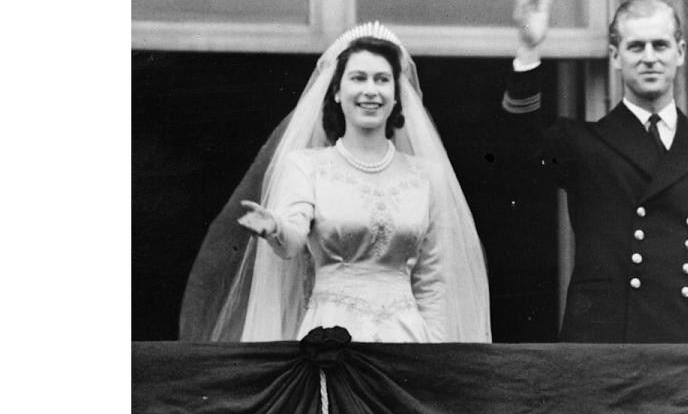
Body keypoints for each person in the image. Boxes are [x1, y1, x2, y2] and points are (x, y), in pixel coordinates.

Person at [179, 22, 491, 343]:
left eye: (382, 80)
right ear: (338, 91)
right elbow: (292, 240)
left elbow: (433, 278)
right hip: (332, 338)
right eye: (358, 78)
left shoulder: (427, 176)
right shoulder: (306, 166)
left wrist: (434, 358)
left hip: (407, 341)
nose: (371, 90)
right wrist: (275, 228)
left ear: (396, 96)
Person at [501, 0, 688, 344]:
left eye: (661, 45)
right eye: (636, 47)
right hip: (605, 347)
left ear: (681, 52)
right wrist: (528, 50)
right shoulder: (584, 144)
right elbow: (517, 151)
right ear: (615, 56)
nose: (650, 58)